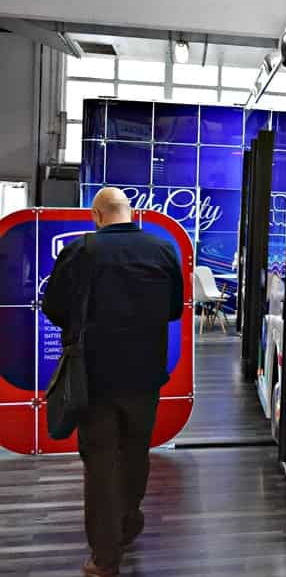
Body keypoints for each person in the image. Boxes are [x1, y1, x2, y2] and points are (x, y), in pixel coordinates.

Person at [42, 187, 184, 577]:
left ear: (97, 215)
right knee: (136, 451)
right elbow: (174, 309)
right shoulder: (162, 249)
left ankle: (105, 557)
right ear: (130, 212)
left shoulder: (80, 251)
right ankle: (127, 521)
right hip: (146, 373)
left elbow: (53, 305)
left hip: (95, 375)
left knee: (100, 460)